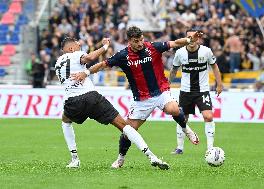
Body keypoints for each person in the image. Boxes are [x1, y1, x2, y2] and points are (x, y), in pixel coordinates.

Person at [71, 26, 201, 169]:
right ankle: (120, 158)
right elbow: (103, 65)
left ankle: (186, 129)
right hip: (141, 100)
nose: (140, 43)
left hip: (161, 92)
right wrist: (86, 73)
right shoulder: (122, 55)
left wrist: (189, 39)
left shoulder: (153, 47)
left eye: (141, 40)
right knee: (128, 131)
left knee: (174, 109)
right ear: (129, 41)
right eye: (136, 41)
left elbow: (175, 43)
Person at [55, 37, 169, 170]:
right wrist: (105, 47)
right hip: (91, 97)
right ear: (70, 48)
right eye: (77, 44)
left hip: (72, 101)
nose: (80, 45)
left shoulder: (58, 62)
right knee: (124, 126)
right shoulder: (75, 54)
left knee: (65, 120)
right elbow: (89, 58)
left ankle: (74, 159)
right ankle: (151, 156)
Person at [169, 28, 223, 154]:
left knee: (208, 116)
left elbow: (215, 67)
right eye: (189, 37)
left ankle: (210, 148)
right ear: (185, 38)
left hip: (202, 91)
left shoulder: (206, 51)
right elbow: (174, 70)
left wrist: (219, 84)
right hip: (185, 91)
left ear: (198, 38)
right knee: (182, 118)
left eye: (194, 37)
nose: (192, 39)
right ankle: (180, 148)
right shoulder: (180, 53)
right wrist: (167, 84)